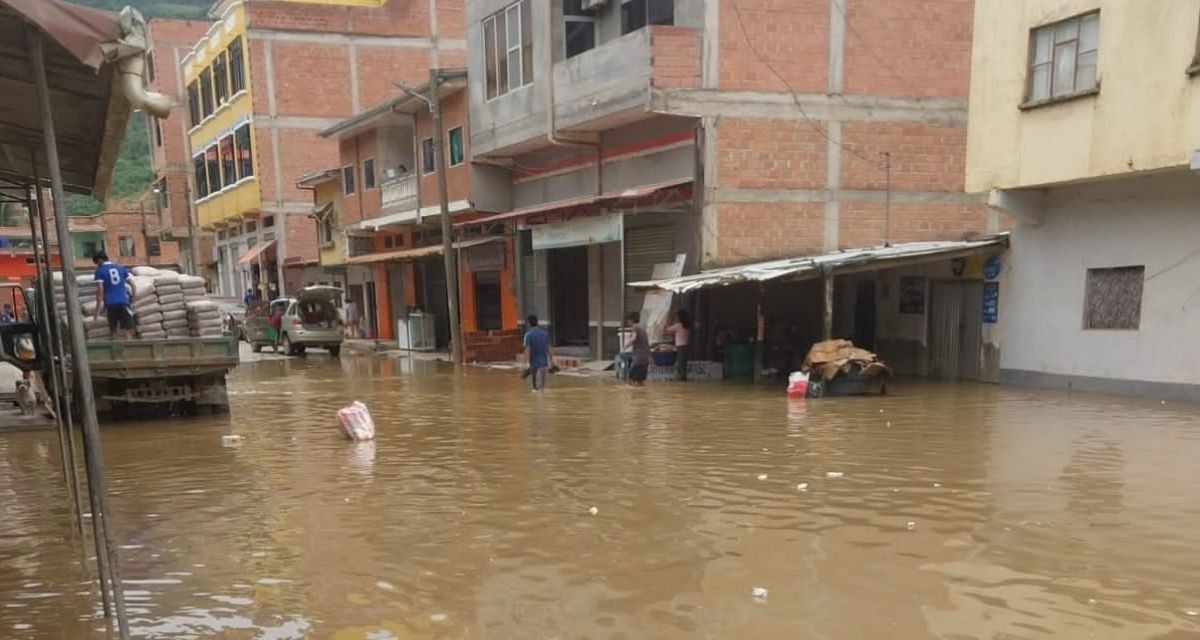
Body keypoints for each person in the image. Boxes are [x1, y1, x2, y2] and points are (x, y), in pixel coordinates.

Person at [92, 251, 134, 340]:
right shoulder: (120, 268)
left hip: (110, 304)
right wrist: (132, 299)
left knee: (113, 329)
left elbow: (100, 293)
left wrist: (97, 311)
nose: (97, 265)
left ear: (99, 260)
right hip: (123, 302)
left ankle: (115, 351)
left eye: (96, 263)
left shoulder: (99, 272)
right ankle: (130, 350)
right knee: (127, 330)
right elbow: (133, 285)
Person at [523, 314, 555, 392]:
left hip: (535, 366)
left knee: (536, 389)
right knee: (542, 388)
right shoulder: (545, 334)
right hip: (544, 364)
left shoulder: (528, 335)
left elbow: (527, 349)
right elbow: (549, 348)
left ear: (529, 323)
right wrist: (552, 361)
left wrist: (526, 363)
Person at [624, 312, 651, 386]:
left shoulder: (635, 327)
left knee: (630, 380)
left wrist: (626, 346)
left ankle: (633, 396)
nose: (627, 322)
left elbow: (634, 338)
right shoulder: (642, 327)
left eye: (628, 320)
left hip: (639, 357)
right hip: (645, 357)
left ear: (631, 320)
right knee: (640, 381)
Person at [665, 309, 692, 381]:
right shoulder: (686, 325)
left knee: (680, 361)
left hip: (680, 346)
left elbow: (668, 329)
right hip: (686, 345)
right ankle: (683, 375)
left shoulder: (678, 325)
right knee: (683, 362)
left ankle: (681, 376)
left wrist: (667, 321)